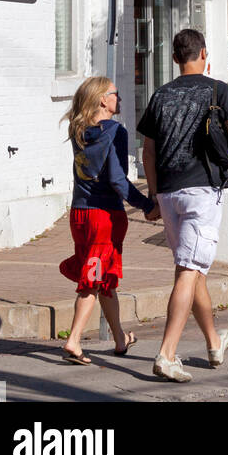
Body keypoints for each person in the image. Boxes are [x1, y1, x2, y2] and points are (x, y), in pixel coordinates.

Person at [138, 28, 228, 383]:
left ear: (175, 58)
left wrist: (154, 196)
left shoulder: (160, 95)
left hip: (169, 194)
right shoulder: (218, 90)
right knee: (189, 269)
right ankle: (166, 354)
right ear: (204, 53)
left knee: (191, 267)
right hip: (201, 192)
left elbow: (149, 151)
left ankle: (214, 343)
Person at [59, 76, 160, 365]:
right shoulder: (115, 131)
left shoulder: (78, 129)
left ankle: (119, 339)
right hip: (105, 216)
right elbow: (118, 179)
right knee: (92, 280)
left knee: (105, 280)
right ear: (103, 99)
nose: (120, 99)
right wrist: (145, 204)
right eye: (116, 94)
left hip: (80, 213)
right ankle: (74, 339)